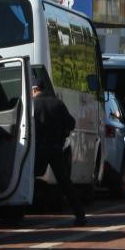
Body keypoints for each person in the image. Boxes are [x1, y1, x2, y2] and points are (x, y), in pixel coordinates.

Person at [32, 78, 85, 224]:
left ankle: (20, 212)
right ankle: (80, 215)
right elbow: (71, 123)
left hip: (37, 149)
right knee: (65, 182)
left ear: (35, 89)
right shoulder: (57, 103)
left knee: (28, 178)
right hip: (55, 148)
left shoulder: (31, 105)